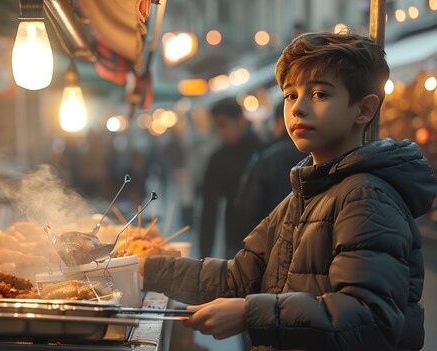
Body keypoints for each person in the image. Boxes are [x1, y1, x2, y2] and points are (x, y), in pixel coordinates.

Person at [140, 32, 436, 350]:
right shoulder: (298, 199)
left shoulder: (366, 196)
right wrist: (147, 268)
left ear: (363, 109)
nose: (298, 108)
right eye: (291, 95)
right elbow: (236, 278)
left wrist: (249, 313)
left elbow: (369, 318)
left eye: (320, 94)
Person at [232, 103, 306, 242]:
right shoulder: (317, 154)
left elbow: (247, 210)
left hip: (270, 242)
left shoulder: (267, 158)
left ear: (280, 121)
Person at [199, 97, 262, 258]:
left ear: (240, 120)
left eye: (224, 125)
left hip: (267, 241)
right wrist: (204, 258)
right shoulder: (218, 158)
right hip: (235, 244)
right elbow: (209, 209)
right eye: (217, 127)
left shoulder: (263, 151)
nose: (221, 132)